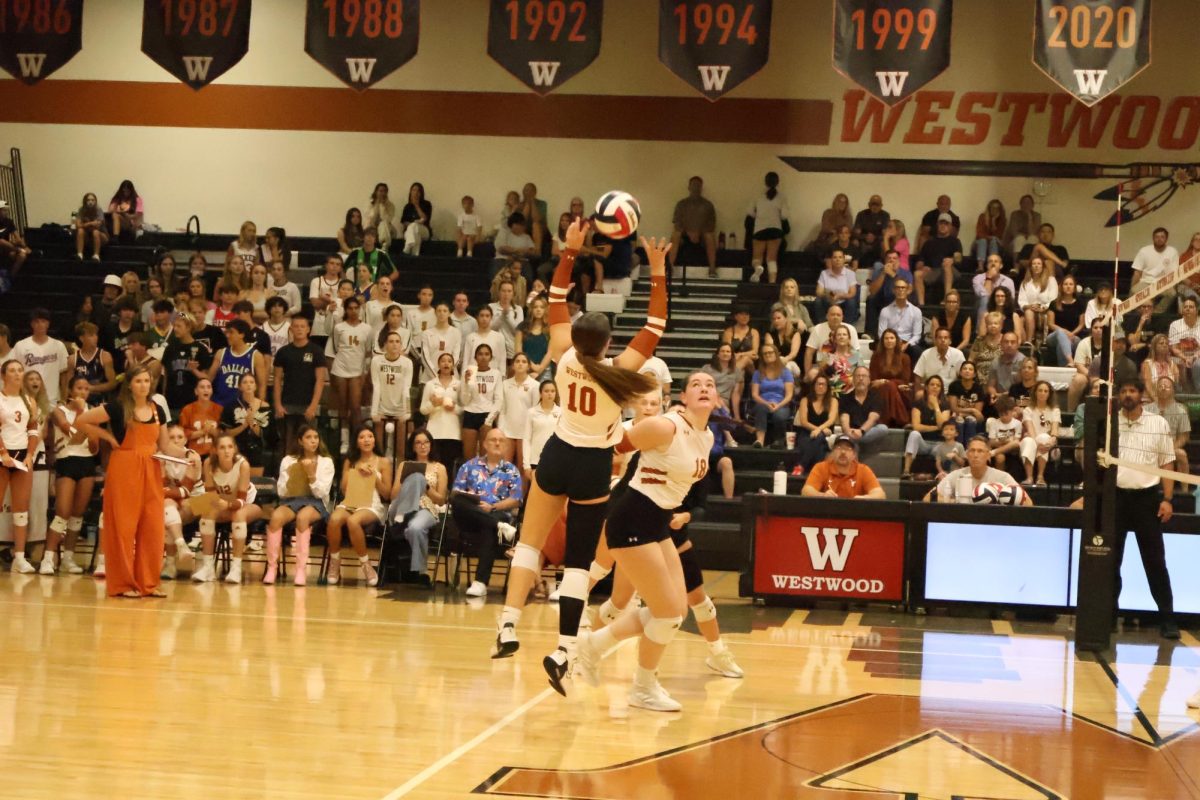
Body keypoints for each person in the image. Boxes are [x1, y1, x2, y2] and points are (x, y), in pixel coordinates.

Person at [491, 223, 668, 686]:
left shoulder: (563, 352)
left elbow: (554, 297)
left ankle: (507, 624)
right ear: (608, 344)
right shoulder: (620, 371)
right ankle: (565, 649)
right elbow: (656, 325)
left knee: (529, 542)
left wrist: (569, 251)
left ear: (576, 333)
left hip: (557, 454)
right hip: (592, 465)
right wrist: (657, 271)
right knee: (577, 563)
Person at [572, 372, 719, 710]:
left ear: (717, 398)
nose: (703, 388)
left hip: (657, 522)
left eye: (710, 385)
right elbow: (613, 447)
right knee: (665, 614)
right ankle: (642, 687)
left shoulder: (707, 436)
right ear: (683, 396)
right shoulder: (665, 426)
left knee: (675, 610)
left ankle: (592, 646)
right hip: (632, 516)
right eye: (695, 384)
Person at [72, 365, 183, 596]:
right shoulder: (118, 407)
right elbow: (81, 421)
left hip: (151, 468)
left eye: (147, 380)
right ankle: (123, 584)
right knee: (123, 527)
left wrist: (187, 454)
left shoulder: (157, 410)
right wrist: (108, 437)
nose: (144, 385)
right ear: (130, 385)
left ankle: (148, 583)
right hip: (125, 468)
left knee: (152, 526)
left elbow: (165, 446)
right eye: (139, 381)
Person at [1112, 378, 1179, 639]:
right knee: (1110, 562)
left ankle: (1168, 619)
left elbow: (1167, 464)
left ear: (1141, 395)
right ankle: (1108, 616)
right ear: (1118, 396)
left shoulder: (1157, 423)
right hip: (1116, 499)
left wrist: (1168, 499)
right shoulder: (1109, 424)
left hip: (1147, 500)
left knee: (1155, 562)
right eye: (1123, 391)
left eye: (1132, 391)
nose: (1128, 395)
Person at [453, 428, 523, 598]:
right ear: (484, 444)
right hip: (470, 515)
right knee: (456, 501)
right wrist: (477, 504)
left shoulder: (511, 470)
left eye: (501, 440)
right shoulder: (469, 466)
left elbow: (516, 500)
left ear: (506, 445)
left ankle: (480, 582)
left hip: (497, 512)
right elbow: (456, 492)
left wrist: (492, 507)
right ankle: (499, 526)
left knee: (489, 526)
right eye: (492, 440)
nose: (497, 443)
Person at [40, 376, 99, 575]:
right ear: (70, 391)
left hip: (87, 462)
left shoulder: (95, 412)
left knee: (77, 514)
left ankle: (68, 558)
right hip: (66, 460)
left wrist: (93, 438)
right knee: (63, 511)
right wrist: (81, 412)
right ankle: (48, 557)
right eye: (79, 388)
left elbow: (94, 446)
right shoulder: (59, 410)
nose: (83, 392)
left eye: (86, 388)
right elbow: (68, 430)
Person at [265, 425, 334, 586]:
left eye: (316, 437)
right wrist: (291, 478)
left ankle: (301, 569)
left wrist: (311, 474)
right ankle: (272, 568)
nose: (313, 441)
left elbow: (322, 492)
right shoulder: (288, 460)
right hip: (291, 499)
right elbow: (281, 491)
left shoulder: (326, 462)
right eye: (309, 437)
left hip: (315, 501)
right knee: (276, 518)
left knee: (303, 518)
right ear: (300, 441)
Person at [190, 433, 262, 584]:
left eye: (230, 447)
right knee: (201, 509)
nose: (227, 451)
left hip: (247, 503)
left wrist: (228, 505)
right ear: (215, 450)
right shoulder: (209, 463)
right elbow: (210, 496)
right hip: (222, 503)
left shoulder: (243, 465)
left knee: (238, 515)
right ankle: (208, 567)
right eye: (222, 447)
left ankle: (236, 568)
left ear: (235, 449)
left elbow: (241, 500)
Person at [325, 426, 391, 587]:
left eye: (370, 436)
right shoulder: (350, 461)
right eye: (362, 437)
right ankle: (335, 562)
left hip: (371, 504)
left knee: (353, 522)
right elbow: (343, 489)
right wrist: (354, 471)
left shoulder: (383, 462)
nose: (366, 440)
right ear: (356, 442)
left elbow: (387, 493)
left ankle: (366, 564)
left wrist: (374, 477)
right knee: (334, 519)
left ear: (375, 440)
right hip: (350, 501)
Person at [387, 429, 448, 586]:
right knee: (415, 478)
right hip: (403, 503)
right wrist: (408, 483)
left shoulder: (439, 468)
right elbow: (393, 495)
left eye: (426, 442)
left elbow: (441, 500)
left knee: (413, 529)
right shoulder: (404, 465)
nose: (423, 446)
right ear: (413, 446)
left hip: (426, 508)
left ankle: (419, 571)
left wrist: (425, 486)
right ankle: (405, 511)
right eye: (418, 443)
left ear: (431, 445)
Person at [0, 360, 39, 573]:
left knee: (21, 510)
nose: (16, 374)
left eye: (19, 370)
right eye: (12, 371)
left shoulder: (28, 400)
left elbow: (33, 429)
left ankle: (20, 558)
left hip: (22, 457)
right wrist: (3, 453)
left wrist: (30, 454)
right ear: (4, 375)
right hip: (2, 457)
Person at [273, 315, 329, 459]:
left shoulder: (316, 351)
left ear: (308, 329)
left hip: (308, 405)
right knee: (288, 443)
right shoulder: (283, 352)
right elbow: (277, 379)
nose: (299, 329)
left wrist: (313, 406)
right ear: (291, 329)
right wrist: (278, 404)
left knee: (309, 443)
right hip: (287, 404)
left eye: (302, 326)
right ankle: (285, 476)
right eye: (296, 326)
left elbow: (320, 380)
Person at [929, 435, 1028, 503]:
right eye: (972, 451)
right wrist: (954, 501)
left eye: (980, 451)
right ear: (967, 455)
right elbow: (928, 498)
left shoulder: (1003, 477)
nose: (975, 455)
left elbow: (1028, 502)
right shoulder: (956, 475)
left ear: (988, 455)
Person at [158, 423, 200, 580]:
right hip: (176, 501)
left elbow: (186, 491)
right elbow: (161, 488)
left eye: (180, 437)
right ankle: (181, 546)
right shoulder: (161, 456)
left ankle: (170, 563)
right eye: (171, 437)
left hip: (201, 499)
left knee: (168, 514)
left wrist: (168, 492)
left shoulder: (193, 457)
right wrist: (169, 493)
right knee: (167, 507)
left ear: (185, 440)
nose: (176, 440)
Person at [487, 352, 539, 467]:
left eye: (524, 362)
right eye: (517, 361)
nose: (520, 364)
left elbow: (535, 411)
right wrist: (501, 430)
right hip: (508, 431)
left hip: (525, 432)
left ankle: (523, 486)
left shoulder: (535, 385)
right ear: (512, 365)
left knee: (522, 467)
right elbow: (502, 409)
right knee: (505, 466)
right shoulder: (505, 384)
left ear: (528, 366)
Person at [368, 330, 414, 460]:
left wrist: (407, 412)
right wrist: (374, 412)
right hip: (382, 407)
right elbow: (376, 386)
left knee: (401, 449)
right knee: (379, 448)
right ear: (385, 345)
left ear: (401, 346)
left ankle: (398, 477)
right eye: (391, 341)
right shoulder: (376, 361)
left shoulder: (407, 363)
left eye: (397, 342)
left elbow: (407, 388)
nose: (394, 344)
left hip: (399, 407)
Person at [11, 308, 69, 405]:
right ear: (32, 324)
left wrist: (63, 399)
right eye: (36, 322)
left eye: (43, 321)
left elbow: (64, 375)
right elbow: (15, 374)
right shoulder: (20, 345)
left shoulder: (58, 345)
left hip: (53, 399)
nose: (40, 324)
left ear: (48, 324)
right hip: (27, 399)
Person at [801, 434, 885, 499]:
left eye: (848, 449)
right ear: (833, 452)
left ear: (854, 455)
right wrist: (822, 495)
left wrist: (864, 498)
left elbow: (880, 495)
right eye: (839, 447)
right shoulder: (821, 467)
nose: (843, 452)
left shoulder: (863, 470)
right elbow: (806, 491)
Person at [207, 319, 267, 410]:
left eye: (231, 332)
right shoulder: (221, 353)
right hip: (219, 405)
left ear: (241, 334)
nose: (227, 335)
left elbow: (262, 385)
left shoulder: (256, 356)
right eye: (227, 332)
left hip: (243, 407)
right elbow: (209, 379)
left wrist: (258, 407)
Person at [220, 373, 270, 476]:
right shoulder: (230, 406)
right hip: (236, 448)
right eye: (245, 382)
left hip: (257, 449)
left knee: (256, 484)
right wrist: (244, 425)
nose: (248, 385)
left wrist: (252, 422)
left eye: (251, 382)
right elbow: (227, 434)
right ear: (239, 386)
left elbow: (263, 434)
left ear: (255, 386)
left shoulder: (264, 406)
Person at [419, 352, 463, 466]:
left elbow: (463, 409)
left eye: (449, 361)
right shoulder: (430, 384)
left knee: (449, 466)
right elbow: (423, 409)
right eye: (443, 361)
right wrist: (433, 404)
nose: (446, 363)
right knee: (434, 465)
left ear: (453, 365)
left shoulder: (459, 384)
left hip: (452, 432)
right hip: (434, 432)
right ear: (438, 364)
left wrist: (454, 408)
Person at [902, 375, 949, 479]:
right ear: (926, 387)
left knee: (944, 448)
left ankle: (941, 474)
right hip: (922, 443)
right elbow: (916, 427)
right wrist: (936, 428)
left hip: (938, 444)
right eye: (932, 384)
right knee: (914, 434)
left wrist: (936, 405)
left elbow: (943, 426)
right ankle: (906, 470)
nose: (935, 387)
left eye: (938, 385)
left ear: (941, 389)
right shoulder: (919, 404)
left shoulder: (945, 405)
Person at [913, 212, 964, 306]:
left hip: (951, 271)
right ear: (937, 225)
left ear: (950, 226)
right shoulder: (929, 243)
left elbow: (959, 258)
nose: (943, 225)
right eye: (941, 223)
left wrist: (952, 260)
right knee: (917, 274)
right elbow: (920, 261)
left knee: (946, 264)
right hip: (934, 271)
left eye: (946, 223)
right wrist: (922, 266)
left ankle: (946, 298)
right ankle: (921, 305)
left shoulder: (955, 241)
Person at [670, 176, 717, 276]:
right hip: (684, 236)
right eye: (693, 185)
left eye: (698, 185)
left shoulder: (708, 205)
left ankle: (712, 269)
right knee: (675, 235)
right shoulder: (681, 204)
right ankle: (670, 267)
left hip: (702, 237)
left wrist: (699, 232)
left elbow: (711, 225)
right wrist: (688, 232)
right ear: (689, 187)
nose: (695, 188)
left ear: (701, 188)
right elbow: (677, 224)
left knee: (710, 236)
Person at [747, 171, 788, 284]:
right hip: (775, 229)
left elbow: (750, 212)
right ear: (777, 182)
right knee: (771, 258)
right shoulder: (781, 197)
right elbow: (785, 216)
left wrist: (759, 216)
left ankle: (758, 268)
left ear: (765, 182)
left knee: (757, 257)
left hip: (760, 228)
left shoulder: (757, 195)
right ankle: (772, 282)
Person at [792, 375, 837, 477]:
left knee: (820, 438)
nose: (820, 386)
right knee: (820, 447)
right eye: (818, 384)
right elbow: (804, 421)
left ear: (827, 387)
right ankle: (816, 474)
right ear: (813, 386)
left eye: (823, 384)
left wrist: (818, 430)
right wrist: (818, 430)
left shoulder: (833, 401)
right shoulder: (805, 400)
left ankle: (801, 465)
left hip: (826, 435)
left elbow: (831, 420)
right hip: (806, 433)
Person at [838, 366, 888, 457]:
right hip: (851, 430)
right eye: (858, 376)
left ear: (869, 380)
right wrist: (848, 432)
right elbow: (844, 420)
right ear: (853, 380)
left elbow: (872, 419)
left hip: (868, 431)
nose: (861, 379)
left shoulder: (876, 397)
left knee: (883, 428)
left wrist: (861, 431)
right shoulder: (845, 398)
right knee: (852, 444)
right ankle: (851, 440)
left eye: (864, 376)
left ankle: (850, 439)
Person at [749, 343, 792, 448]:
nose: (768, 355)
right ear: (762, 357)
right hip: (762, 402)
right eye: (765, 354)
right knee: (761, 408)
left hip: (781, 404)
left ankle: (779, 441)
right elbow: (754, 394)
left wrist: (778, 405)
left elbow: (789, 395)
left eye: (770, 352)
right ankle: (760, 441)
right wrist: (767, 403)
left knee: (779, 415)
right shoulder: (758, 373)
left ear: (776, 354)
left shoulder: (785, 372)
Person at [1146, 376, 1190, 477]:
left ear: (1173, 390)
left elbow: (1184, 436)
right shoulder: (1146, 409)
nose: (1163, 388)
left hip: (1171, 447)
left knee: (1181, 454)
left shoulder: (1181, 410)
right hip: (1149, 447)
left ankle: (1185, 491)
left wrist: (1171, 448)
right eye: (1160, 386)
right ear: (1156, 390)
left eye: (1167, 386)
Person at [869, 328, 913, 427]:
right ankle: (903, 419)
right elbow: (873, 379)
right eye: (886, 338)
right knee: (887, 387)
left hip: (899, 388)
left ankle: (885, 420)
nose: (889, 341)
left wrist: (887, 382)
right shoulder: (876, 357)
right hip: (879, 388)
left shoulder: (905, 357)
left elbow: (905, 380)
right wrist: (885, 383)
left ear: (896, 340)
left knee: (889, 386)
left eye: (892, 338)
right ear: (882, 341)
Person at [1018, 380, 1059, 486]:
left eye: (1046, 391)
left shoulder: (1055, 410)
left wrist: (1051, 442)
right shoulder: (1028, 410)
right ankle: (1029, 477)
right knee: (1028, 440)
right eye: (1040, 390)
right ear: (1035, 392)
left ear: (1049, 394)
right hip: (1033, 440)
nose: (1043, 393)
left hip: (1048, 444)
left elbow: (1054, 432)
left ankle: (1040, 477)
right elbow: (1031, 432)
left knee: (1045, 437)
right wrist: (1038, 444)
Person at [866, 249, 913, 337]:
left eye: (894, 258)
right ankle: (870, 334)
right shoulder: (879, 271)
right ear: (885, 261)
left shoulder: (905, 273)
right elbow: (872, 291)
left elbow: (908, 290)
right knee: (871, 299)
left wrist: (893, 275)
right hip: (882, 298)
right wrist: (883, 274)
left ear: (899, 261)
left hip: (897, 299)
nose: (891, 260)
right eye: (889, 258)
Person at [1130, 227, 1179, 312]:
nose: (1159, 239)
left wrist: (1172, 287)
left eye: (1162, 237)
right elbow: (1137, 272)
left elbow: (1174, 273)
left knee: (1172, 294)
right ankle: (1138, 313)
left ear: (1166, 239)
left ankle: (1156, 312)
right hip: (1146, 281)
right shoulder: (1144, 251)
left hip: (1164, 283)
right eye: (1157, 237)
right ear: (1153, 238)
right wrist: (1133, 287)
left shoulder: (1173, 251)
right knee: (1133, 291)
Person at [877, 278, 924, 358]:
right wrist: (892, 343)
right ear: (893, 290)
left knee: (917, 351)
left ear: (908, 290)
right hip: (890, 341)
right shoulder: (885, 311)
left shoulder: (916, 311)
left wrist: (907, 344)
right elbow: (881, 333)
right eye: (897, 288)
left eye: (903, 287)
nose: (900, 290)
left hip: (908, 343)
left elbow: (917, 335)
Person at [1018, 256, 1059, 346]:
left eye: (1039, 264)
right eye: (1034, 264)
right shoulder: (1025, 282)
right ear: (1030, 267)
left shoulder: (1051, 280)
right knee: (1027, 313)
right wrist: (1029, 306)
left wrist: (1043, 307)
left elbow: (1053, 298)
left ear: (1043, 267)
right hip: (1030, 310)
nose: (1036, 266)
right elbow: (1022, 300)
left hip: (1046, 310)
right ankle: (1029, 341)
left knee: (1030, 313)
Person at [813, 248, 860, 324]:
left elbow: (852, 293)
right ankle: (821, 325)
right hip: (828, 301)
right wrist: (828, 295)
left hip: (844, 301)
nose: (837, 260)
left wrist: (840, 296)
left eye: (840, 257)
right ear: (831, 260)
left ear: (844, 260)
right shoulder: (824, 273)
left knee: (851, 301)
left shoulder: (850, 273)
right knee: (818, 300)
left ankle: (847, 326)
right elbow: (819, 292)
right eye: (835, 257)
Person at [972, 254, 1016, 330]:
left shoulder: (1008, 281)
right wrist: (989, 278)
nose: (993, 264)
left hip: (1002, 307)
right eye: (990, 261)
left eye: (996, 261)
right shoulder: (978, 278)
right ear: (986, 265)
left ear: (1001, 265)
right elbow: (984, 295)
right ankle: (980, 334)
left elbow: (1010, 299)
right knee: (985, 299)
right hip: (983, 307)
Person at [1168, 296, 1200, 390]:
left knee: (1197, 365)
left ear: (1197, 310)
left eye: (1191, 307)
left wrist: (1194, 357)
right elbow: (1174, 347)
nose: (1188, 309)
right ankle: (1180, 394)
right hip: (1180, 356)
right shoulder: (1175, 325)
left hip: (1198, 356)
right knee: (1173, 364)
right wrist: (1185, 358)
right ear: (1182, 310)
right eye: (1185, 307)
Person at [516, 296, 552, 379]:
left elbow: (550, 352)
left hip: (545, 370)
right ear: (531, 309)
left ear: (545, 309)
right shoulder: (522, 327)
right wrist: (532, 366)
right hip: (524, 368)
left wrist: (539, 369)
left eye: (541, 307)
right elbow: (518, 351)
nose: (538, 310)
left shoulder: (550, 328)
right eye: (535, 307)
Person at [986, 396, 1023, 470]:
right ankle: (1000, 478)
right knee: (1000, 458)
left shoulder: (1017, 423)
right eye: (1001, 414)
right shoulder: (994, 423)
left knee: (1015, 443)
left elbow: (1016, 441)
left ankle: (993, 453)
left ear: (1012, 411)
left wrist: (1006, 442)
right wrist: (1002, 442)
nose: (1004, 417)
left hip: (1013, 449)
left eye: (1006, 414)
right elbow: (991, 442)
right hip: (1000, 447)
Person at [765, 308, 803, 379]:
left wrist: (784, 360)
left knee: (787, 368)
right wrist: (779, 361)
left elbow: (793, 354)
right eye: (774, 319)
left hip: (791, 363)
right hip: (774, 363)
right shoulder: (770, 334)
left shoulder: (795, 334)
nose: (776, 321)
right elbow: (770, 352)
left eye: (779, 318)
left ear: (786, 319)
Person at [721, 306, 759, 375]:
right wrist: (736, 356)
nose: (744, 317)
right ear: (736, 316)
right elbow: (727, 351)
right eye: (741, 314)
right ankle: (734, 377)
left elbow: (754, 353)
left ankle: (729, 377)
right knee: (740, 370)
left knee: (746, 359)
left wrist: (740, 355)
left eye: (747, 314)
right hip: (732, 362)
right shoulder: (728, 332)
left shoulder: (754, 332)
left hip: (750, 365)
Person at [987, 332, 1026, 399]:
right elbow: (991, 386)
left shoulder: (1024, 362)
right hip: (999, 398)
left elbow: (1025, 387)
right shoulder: (995, 362)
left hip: (1019, 398)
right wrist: (994, 395)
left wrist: (1004, 396)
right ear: (1001, 344)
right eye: (1006, 342)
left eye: (1013, 342)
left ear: (1018, 344)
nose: (1009, 345)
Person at [399, 182, 432, 256]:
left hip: (424, 230)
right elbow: (404, 222)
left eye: (418, 191)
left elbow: (425, 218)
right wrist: (412, 224)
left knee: (414, 226)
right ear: (410, 192)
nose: (416, 192)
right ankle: (415, 256)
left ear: (421, 193)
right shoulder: (407, 206)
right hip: (410, 232)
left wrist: (417, 206)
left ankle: (406, 249)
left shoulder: (427, 204)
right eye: (414, 190)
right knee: (415, 232)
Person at [853, 195, 889, 263]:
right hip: (863, 240)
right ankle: (857, 264)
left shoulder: (885, 215)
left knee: (884, 243)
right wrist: (865, 237)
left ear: (881, 205)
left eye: (877, 204)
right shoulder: (861, 214)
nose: (875, 206)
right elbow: (856, 233)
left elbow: (885, 234)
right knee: (855, 242)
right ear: (869, 205)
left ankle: (884, 265)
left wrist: (874, 237)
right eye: (873, 204)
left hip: (878, 240)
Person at [74, 192, 108, 261]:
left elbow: (98, 225)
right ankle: (79, 254)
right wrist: (91, 223)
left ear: (95, 201)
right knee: (80, 230)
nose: (90, 202)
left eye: (92, 200)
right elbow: (77, 225)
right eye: (88, 200)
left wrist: (85, 225)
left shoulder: (98, 210)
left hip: (101, 236)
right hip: (87, 236)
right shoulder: (81, 210)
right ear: (85, 201)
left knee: (95, 232)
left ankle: (96, 255)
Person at [973, 199, 1006, 265]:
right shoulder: (982, 217)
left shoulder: (1002, 220)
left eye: (997, 208)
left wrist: (993, 222)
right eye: (993, 207)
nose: (995, 210)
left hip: (995, 244)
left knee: (993, 242)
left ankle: (993, 266)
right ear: (989, 208)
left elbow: (998, 236)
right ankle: (980, 266)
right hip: (981, 242)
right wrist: (989, 237)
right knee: (983, 241)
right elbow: (979, 234)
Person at [365, 182, 397, 248]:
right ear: (376, 192)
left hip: (388, 230)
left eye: (385, 191)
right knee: (367, 226)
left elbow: (387, 219)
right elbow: (370, 218)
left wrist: (382, 206)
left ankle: (384, 246)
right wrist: (376, 204)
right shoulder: (370, 204)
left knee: (383, 224)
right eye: (381, 191)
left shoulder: (390, 205)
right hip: (373, 228)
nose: (383, 193)